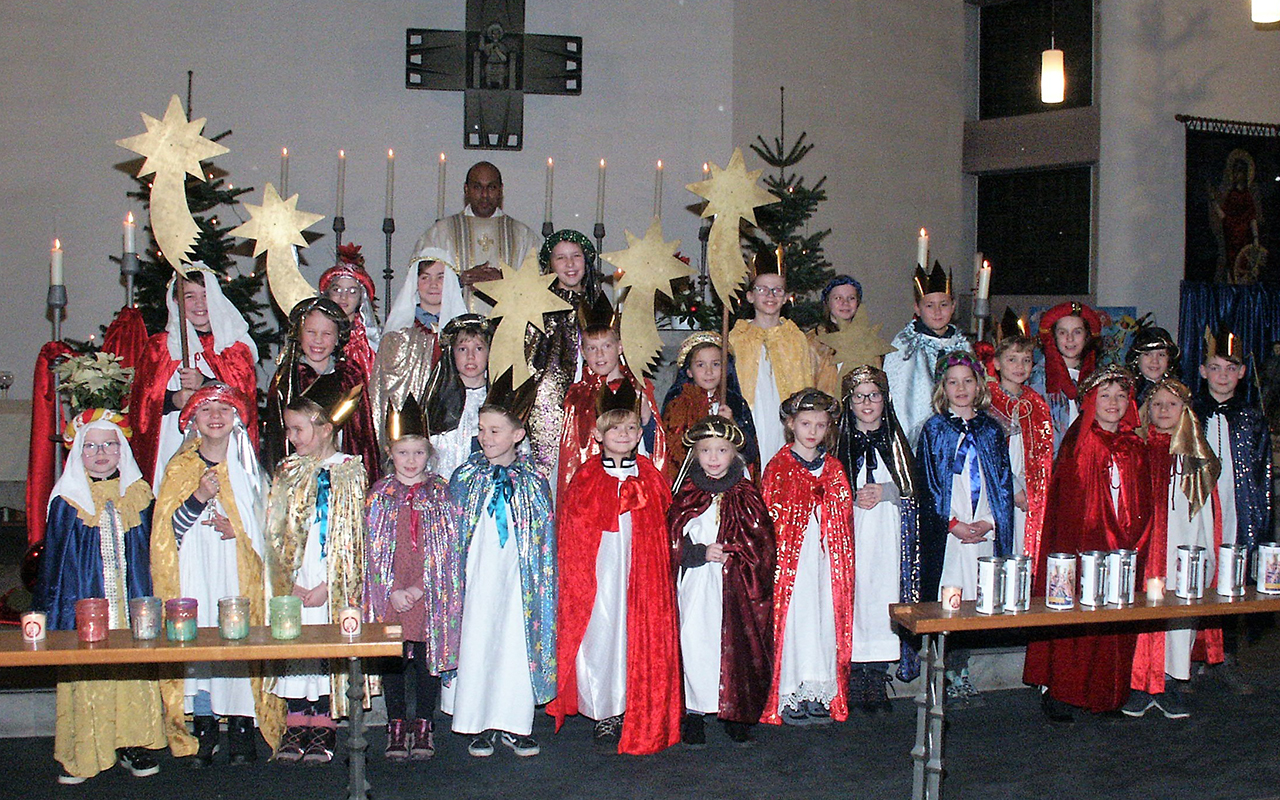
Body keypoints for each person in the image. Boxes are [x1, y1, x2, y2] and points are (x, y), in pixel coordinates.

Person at [152, 384, 283, 768]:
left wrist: (238, 531)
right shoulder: (180, 468)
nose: (214, 416)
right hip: (194, 570)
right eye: (206, 409)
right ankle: (205, 725)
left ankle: (242, 727)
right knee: (201, 639)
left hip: (235, 572)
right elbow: (165, 536)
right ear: (192, 420)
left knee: (236, 639)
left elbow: (266, 530)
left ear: (235, 420)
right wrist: (196, 498)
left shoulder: (247, 471)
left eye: (223, 409)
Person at [36, 409, 166, 784]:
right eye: (91, 446)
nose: (101, 453)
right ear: (78, 452)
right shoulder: (67, 501)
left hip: (130, 603)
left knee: (132, 671)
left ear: (121, 449)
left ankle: (134, 743)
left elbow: (153, 551)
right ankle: (85, 748)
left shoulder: (139, 495)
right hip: (86, 603)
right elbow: (56, 567)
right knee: (88, 674)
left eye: (109, 445)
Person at [548, 396, 681, 756]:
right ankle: (605, 709)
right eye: (614, 428)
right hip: (600, 573)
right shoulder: (587, 476)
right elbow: (574, 530)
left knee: (637, 633)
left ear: (640, 434)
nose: (623, 434)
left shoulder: (650, 476)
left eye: (630, 427)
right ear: (597, 433)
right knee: (603, 634)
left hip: (641, 574)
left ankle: (635, 703)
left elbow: (659, 527)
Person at [1024, 366, 1154, 721]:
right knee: (1075, 616)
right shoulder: (1081, 441)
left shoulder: (1134, 446)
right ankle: (1062, 691)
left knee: (1114, 619)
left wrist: (1133, 542)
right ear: (1090, 401)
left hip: (1124, 548)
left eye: (1120, 396)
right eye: (1105, 396)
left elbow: (1143, 503)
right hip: (1083, 545)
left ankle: (1106, 692)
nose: (1113, 404)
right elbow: (1070, 501)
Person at [264, 375, 368, 765]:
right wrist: (285, 580)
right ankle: (295, 721)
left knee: (324, 638)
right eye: (288, 429)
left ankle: (322, 721)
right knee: (295, 639)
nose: (291, 437)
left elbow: (353, 533)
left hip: (329, 575)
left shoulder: (348, 470)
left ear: (324, 428)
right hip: (295, 573)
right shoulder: (286, 470)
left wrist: (328, 583)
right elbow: (275, 529)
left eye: (298, 428)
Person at [448, 389, 556, 758]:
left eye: (495, 431)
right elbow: (453, 533)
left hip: (518, 580)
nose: (485, 438)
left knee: (513, 640)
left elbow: (543, 538)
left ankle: (514, 723)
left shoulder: (534, 481)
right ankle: (479, 721)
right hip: (477, 576)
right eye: (481, 429)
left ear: (518, 434)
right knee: (478, 637)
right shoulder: (465, 476)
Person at [364, 395, 462, 762]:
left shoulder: (441, 494)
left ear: (429, 455)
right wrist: (391, 590)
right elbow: (370, 550)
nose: (410, 461)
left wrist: (420, 588)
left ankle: (423, 722)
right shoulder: (379, 495)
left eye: (418, 453)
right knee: (392, 657)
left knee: (425, 656)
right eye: (403, 453)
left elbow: (447, 551)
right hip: (391, 594)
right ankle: (395, 723)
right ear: (390, 453)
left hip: (427, 594)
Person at [916, 351, 1014, 707]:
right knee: (948, 598)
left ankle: (962, 671)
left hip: (982, 527)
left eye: (967, 381)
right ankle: (940, 672)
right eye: (953, 382)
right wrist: (953, 524)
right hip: (950, 534)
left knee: (974, 599)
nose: (960, 388)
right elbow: (929, 484)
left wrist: (989, 521)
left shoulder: (990, 429)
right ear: (943, 387)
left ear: (979, 385)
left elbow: (1000, 481)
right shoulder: (935, 430)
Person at [669, 416, 775, 747]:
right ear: (694, 455)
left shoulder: (746, 493)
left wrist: (738, 551)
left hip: (735, 589)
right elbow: (670, 536)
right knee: (694, 641)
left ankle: (733, 711)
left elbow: (763, 542)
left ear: (734, 454)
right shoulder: (686, 492)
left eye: (722, 450)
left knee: (732, 647)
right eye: (705, 451)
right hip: (696, 586)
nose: (713, 458)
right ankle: (695, 712)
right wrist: (698, 552)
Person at [1126, 379, 1223, 720]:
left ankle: (1169, 681)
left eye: (1172, 404)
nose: (1164, 411)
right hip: (1143, 549)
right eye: (1157, 404)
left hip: (1182, 547)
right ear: (1146, 410)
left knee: (1178, 615)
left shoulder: (1196, 455)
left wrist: (1208, 554)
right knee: (1138, 612)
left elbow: (1209, 511)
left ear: (1185, 411)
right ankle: (1138, 683)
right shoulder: (1135, 448)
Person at [761, 389, 855, 727]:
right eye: (805, 423)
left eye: (819, 425)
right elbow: (772, 516)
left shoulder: (834, 468)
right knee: (795, 623)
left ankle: (819, 689)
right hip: (793, 566)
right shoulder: (779, 466)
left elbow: (843, 515)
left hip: (825, 562)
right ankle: (791, 689)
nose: (812, 431)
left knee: (822, 622)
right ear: (791, 425)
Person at [835, 366, 922, 713]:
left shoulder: (896, 442)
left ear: (885, 400)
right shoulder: (841, 443)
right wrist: (850, 495)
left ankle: (877, 675)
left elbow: (916, 493)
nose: (867, 402)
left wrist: (887, 491)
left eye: (874, 395)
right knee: (857, 597)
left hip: (887, 536)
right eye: (859, 396)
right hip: (855, 534)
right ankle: (855, 675)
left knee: (885, 595)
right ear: (849, 403)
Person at [129, 265, 259, 487]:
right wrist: (173, 399)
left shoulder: (233, 349)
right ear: (176, 301)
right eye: (190, 296)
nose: (200, 304)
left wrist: (205, 384)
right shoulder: (159, 348)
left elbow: (243, 401)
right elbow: (141, 404)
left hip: (221, 448)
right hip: (171, 445)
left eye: (206, 295)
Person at [1194, 326, 1272, 692]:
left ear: (1241, 373)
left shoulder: (1252, 418)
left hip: (1236, 510)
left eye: (1230, 368)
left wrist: (1256, 518)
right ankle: (1191, 657)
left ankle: (1225, 656)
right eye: (1215, 367)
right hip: (1197, 511)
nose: (1222, 375)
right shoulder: (1189, 414)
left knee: (1231, 579)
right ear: (1202, 370)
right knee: (1194, 576)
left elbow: (1259, 474)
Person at [728, 252, 828, 467]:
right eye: (762, 289)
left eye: (777, 290)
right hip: (752, 414)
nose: (770, 295)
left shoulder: (795, 338)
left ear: (785, 298)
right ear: (750, 296)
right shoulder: (737, 337)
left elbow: (805, 379)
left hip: (784, 417)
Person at [264, 297, 379, 479]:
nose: (318, 340)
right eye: (311, 332)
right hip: (300, 473)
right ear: (300, 334)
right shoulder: (287, 378)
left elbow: (362, 434)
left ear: (337, 338)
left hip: (341, 469)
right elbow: (276, 435)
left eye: (326, 334)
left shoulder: (350, 375)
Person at [556, 315, 666, 503]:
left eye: (607, 346)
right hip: (591, 488)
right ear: (583, 352)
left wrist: (647, 419)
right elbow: (570, 453)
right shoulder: (577, 395)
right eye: (592, 348)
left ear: (620, 347)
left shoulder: (637, 386)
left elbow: (654, 442)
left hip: (631, 479)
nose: (600, 355)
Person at [371, 249, 468, 450]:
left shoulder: (464, 333)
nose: (433, 284)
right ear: (415, 282)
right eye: (425, 277)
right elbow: (384, 389)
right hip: (410, 431)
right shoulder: (398, 335)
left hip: (454, 430)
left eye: (441, 277)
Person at [525, 229, 599, 482]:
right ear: (550, 265)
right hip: (548, 401)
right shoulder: (538, 306)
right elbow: (528, 358)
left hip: (591, 400)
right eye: (561, 258)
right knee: (550, 470)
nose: (569, 264)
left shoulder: (597, 306)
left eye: (576, 256)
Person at [985, 313, 1054, 572]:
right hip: (1003, 486)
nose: (1019, 366)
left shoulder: (1036, 402)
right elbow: (991, 453)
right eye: (1012, 359)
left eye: (1026, 360)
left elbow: (1044, 448)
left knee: (1025, 545)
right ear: (997, 363)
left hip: (1031, 487)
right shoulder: (988, 400)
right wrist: (1013, 488)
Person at [411, 162, 541, 298]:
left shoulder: (522, 236)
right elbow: (417, 280)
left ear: (501, 190)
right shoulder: (441, 233)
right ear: (466, 189)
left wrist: (507, 280)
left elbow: (539, 285)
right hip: (454, 317)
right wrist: (460, 279)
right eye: (477, 187)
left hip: (510, 319)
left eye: (491, 187)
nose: (484, 195)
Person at [884, 262, 972, 447]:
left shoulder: (963, 347)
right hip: (917, 439)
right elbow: (897, 395)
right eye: (929, 305)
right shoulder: (904, 346)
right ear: (917, 308)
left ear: (953, 306)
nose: (938, 311)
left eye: (944, 304)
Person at [661, 332, 759, 482]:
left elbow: (750, 453)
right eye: (700, 365)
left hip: (731, 480)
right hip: (693, 483)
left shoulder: (735, 402)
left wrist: (732, 423)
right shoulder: (678, 406)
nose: (709, 371)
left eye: (716, 364)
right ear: (689, 371)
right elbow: (673, 454)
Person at [423, 314, 492, 480]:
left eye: (479, 348)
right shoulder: (437, 401)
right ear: (451, 353)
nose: (470, 356)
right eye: (462, 349)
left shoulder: (498, 401)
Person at [1030, 301, 1101, 453]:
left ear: (1086, 336)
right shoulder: (1039, 378)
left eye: (1077, 332)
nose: (1070, 339)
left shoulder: (1097, 378)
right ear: (1053, 337)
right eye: (1063, 332)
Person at [319, 242, 381, 381]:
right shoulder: (318, 332)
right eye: (337, 290)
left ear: (361, 298)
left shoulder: (368, 339)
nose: (343, 297)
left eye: (352, 292)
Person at [1126, 325, 1180, 407]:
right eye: (1147, 354)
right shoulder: (1127, 392)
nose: (1155, 361)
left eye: (1161, 355)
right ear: (1136, 359)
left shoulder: (1178, 392)